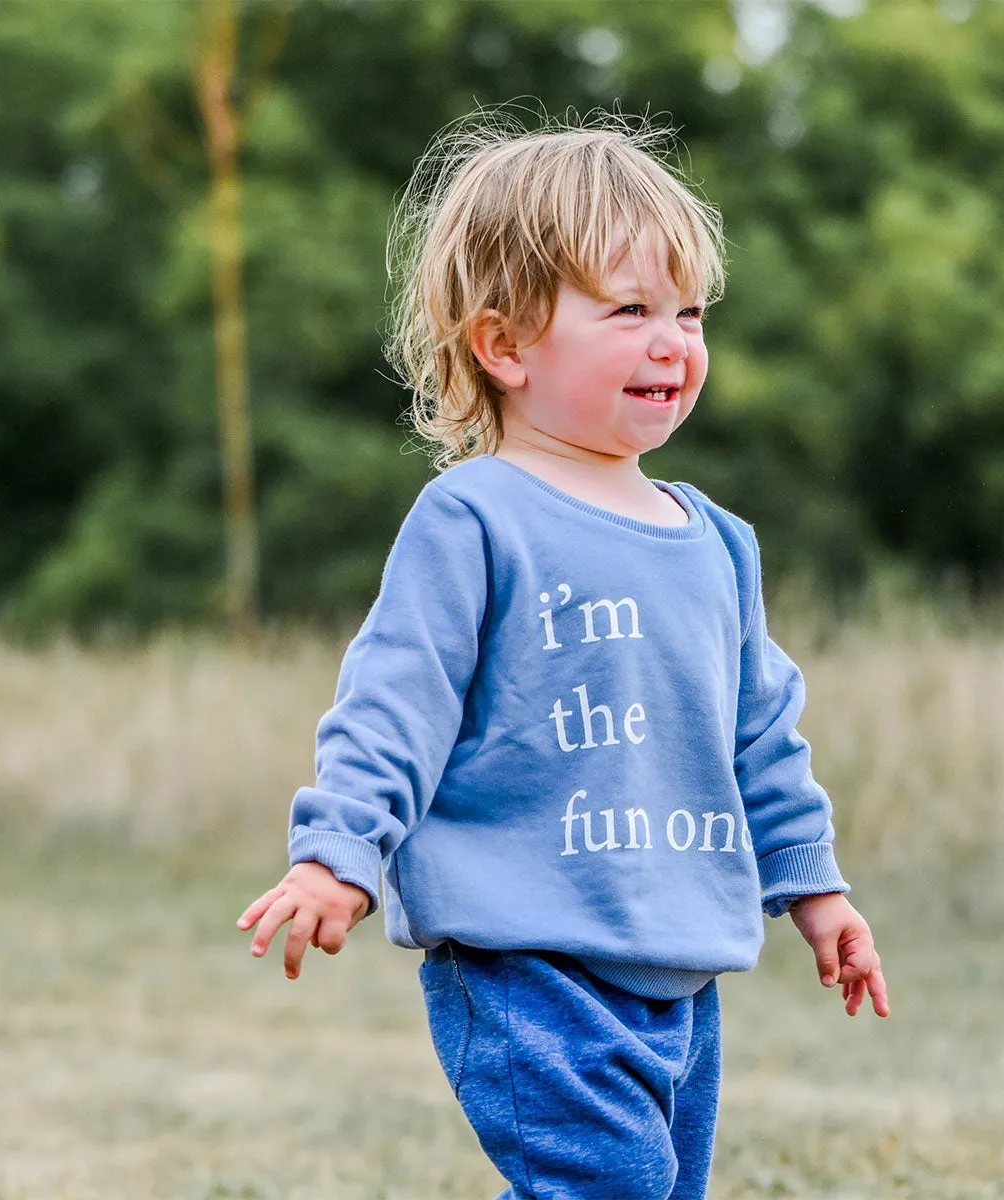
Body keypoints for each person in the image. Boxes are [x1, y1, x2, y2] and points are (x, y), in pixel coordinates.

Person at [238, 108, 889, 1200]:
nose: (672, 340)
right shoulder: (477, 518)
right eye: (629, 309)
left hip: (676, 960)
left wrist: (815, 891)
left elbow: (761, 736)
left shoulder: (717, 542)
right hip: (528, 952)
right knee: (606, 1188)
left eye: (688, 310)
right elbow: (395, 704)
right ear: (504, 346)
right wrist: (338, 851)